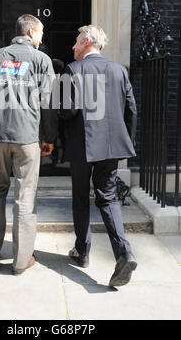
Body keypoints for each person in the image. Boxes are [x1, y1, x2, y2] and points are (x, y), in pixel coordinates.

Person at [0, 14, 57, 275]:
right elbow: (50, 103)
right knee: (25, 195)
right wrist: (50, 137)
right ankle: (21, 260)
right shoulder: (42, 60)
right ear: (30, 33)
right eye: (41, 34)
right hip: (27, 137)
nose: (42, 39)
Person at [60, 25, 137, 287]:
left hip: (82, 145)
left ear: (87, 42)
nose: (73, 47)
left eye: (76, 42)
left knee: (81, 198)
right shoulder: (119, 71)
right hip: (111, 146)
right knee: (108, 198)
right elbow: (131, 110)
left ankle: (82, 251)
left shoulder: (73, 69)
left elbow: (66, 111)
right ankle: (124, 252)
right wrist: (125, 140)